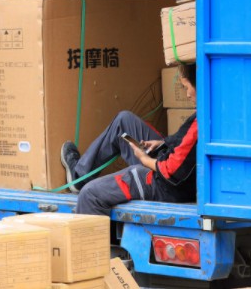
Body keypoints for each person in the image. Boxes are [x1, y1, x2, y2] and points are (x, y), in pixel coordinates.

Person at [61, 63, 197, 216]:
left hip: (166, 186)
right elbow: (188, 147)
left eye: (187, 87)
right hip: (171, 167)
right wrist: (164, 143)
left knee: (89, 195)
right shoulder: (209, 111)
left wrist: (144, 160)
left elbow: (171, 171)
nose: (187, 94)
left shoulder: (200, 122)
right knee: (123, 121)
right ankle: (80, 176)